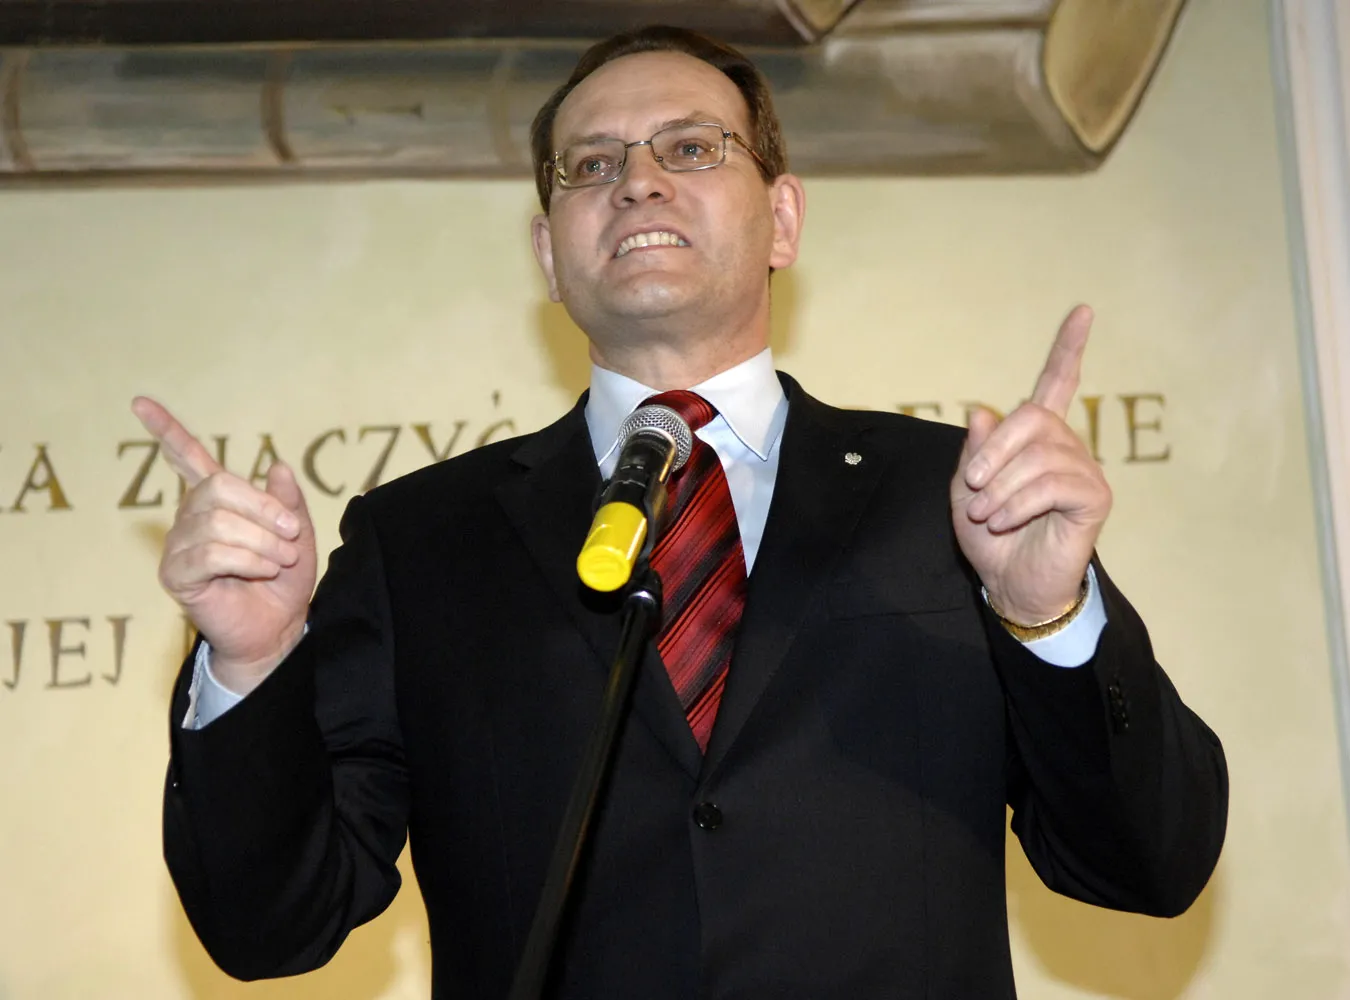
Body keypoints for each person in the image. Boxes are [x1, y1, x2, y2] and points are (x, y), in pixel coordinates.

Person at [137, 25, 1228, 1000]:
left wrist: (1047, 617)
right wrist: (253, 665)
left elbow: (1150, 864)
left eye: (692, 148)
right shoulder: (421, 540)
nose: (639, 183)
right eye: (593, 165)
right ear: (548, 254)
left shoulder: (954, 498)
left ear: (782, 218)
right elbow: (271, 929)